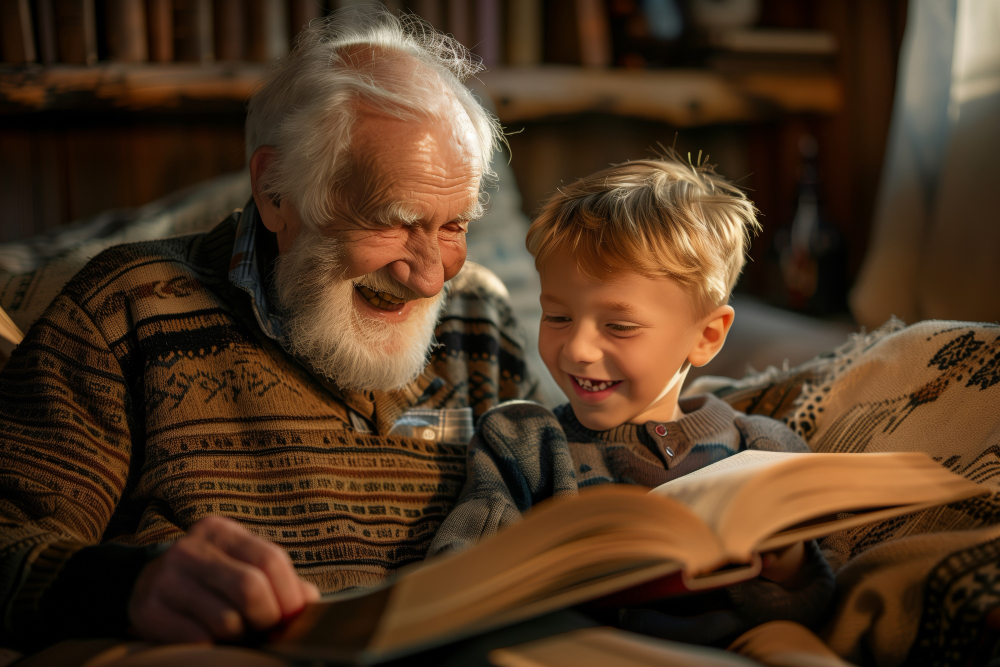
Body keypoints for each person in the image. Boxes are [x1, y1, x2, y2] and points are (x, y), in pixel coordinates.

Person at [0, 11, 538, 650]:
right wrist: (131, 588)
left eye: (453, 226)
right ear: (274, 191)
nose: (429, 278)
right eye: (394, 221)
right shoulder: (127, 309)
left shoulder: (479, 316)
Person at [429, 154, 835, 643]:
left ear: (706, 337)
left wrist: (786, 567)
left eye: (619, 326)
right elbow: (458, 570)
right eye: (556, 317)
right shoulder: (525, 442)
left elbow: (818, 601)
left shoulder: (764, 450)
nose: (577, 349)